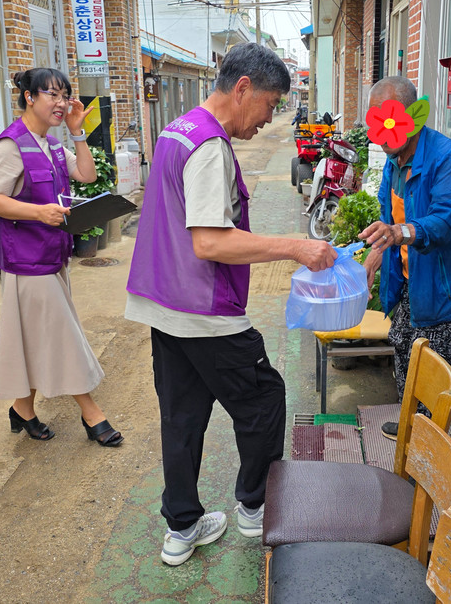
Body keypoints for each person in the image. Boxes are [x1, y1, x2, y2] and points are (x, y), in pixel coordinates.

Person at [125, 43, 337, 566]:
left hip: (163, 302)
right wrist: (296, 246)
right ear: (243, 88)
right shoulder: (209, 146)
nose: (267, 119)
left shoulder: (177, 130)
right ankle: (255, 507)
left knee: (182, 416)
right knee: (264, 399)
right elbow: (210, 241)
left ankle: (181, 528)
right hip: (204, 308)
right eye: (269, 104)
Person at [0, 67, 123, 448]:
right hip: (26, 263)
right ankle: (92, 414)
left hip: (52, 257)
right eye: (52, 95)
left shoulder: (52, 145)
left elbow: (87, 175)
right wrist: (38, 213)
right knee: (62, 335)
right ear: (29, 97)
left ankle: (22, 409)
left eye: (65, 95)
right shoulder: (11, 146)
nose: (61, 103)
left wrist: (78, 132)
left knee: (33, 338)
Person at [359, 76, 451, 438]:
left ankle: (426, 448)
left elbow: (445, 221)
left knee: (432, 376)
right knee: (403, 350)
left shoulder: (448, 158)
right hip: (412, 284)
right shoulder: (394, 160)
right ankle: (409, 427)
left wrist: (400, 232)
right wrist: (372, 260)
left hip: (448, 291)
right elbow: (387, 219)